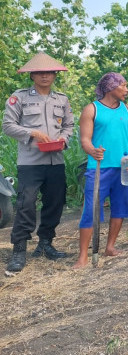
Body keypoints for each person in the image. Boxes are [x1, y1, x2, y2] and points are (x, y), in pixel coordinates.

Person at [3, 53, 74, 273]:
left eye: (49, 72)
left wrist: (64, 139)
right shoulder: (19, 98)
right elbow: (8, 126)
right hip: (30, 162)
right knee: (26, 204)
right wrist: (32, 133)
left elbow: (69, 125)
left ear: (54, 75)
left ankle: (45, 244)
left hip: (55, 160)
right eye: (40, 72)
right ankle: (19, 250)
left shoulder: (61, 99)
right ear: (32, 75)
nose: (45, 76)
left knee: (55, 202)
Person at [74, 73, 128, 268]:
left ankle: (110, 247)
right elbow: (85, 139)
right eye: (123, 86)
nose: (126, 90)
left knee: (119, 208)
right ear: (111, 87)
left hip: (123, 167)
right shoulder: (92, 109)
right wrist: (92, 151)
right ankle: (83, 256)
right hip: (99, 168)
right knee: (91, 210)